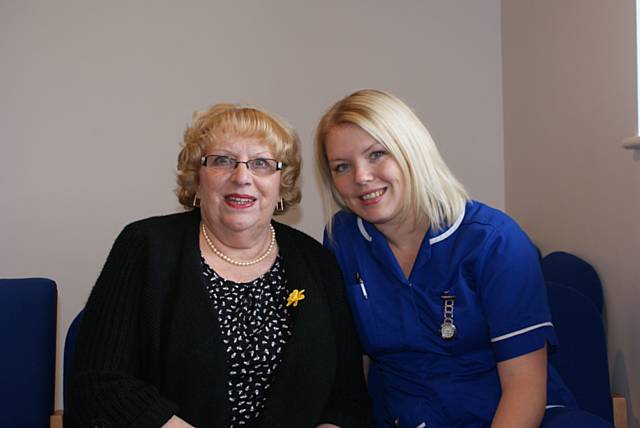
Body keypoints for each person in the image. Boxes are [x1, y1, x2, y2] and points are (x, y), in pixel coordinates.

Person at [315, 89, 613, 428]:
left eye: (377, 154)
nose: (361, 177)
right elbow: (344, 362)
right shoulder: (343, 239)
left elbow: (524, 386)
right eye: (342, 166)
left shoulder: (493, 240)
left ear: (412, 152)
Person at [66, 103, 372, 427]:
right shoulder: (145, 245)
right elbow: (100, 382)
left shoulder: (318, 262)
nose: (242, 177)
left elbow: (348, 400)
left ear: (282, 184)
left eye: (261, 164)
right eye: (223, 161)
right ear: (197, 179)